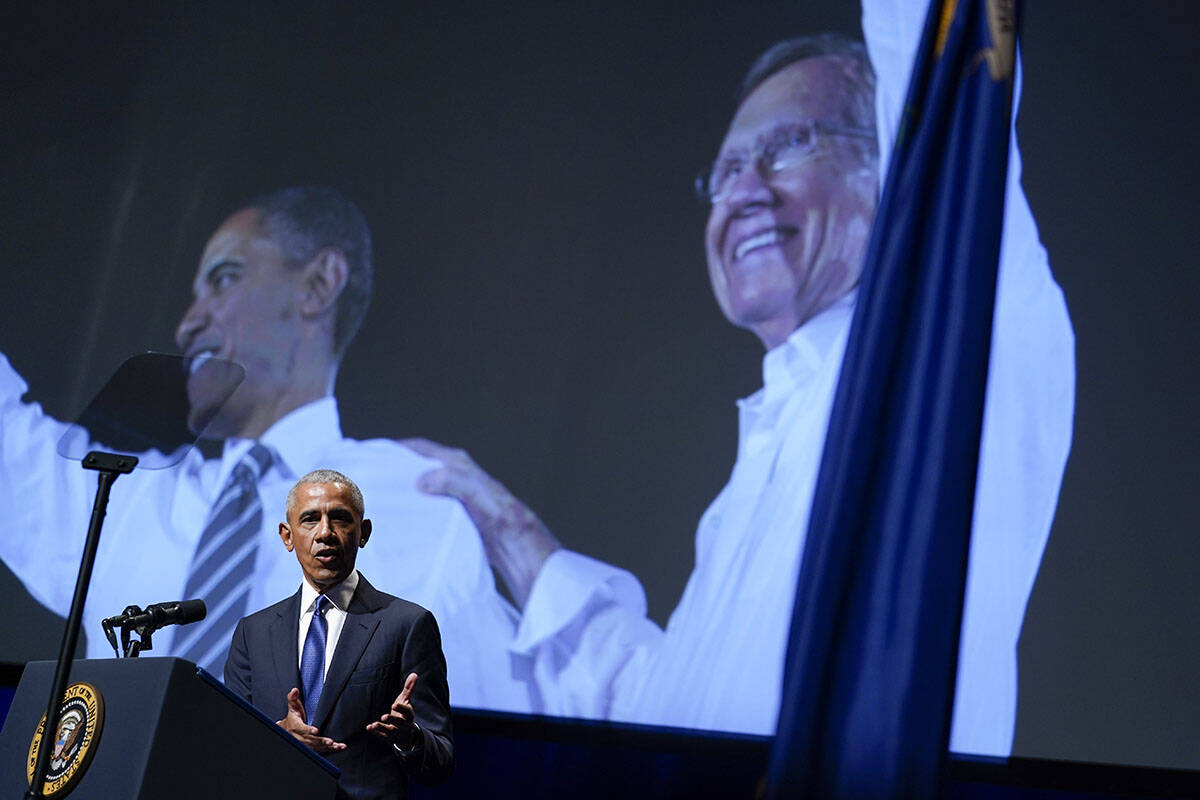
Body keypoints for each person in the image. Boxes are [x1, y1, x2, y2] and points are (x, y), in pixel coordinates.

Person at [407, 1, 1074, 757]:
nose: (744, 191)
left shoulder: (964, 329)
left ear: (891, 153)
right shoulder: (751, 477)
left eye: (791, 144)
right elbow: (667, 714)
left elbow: (935, 49)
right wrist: (512, 533)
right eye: (724, 172)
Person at [0, 186, 532, 713]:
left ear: (319, 284)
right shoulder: (119, 501)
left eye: (224, 279)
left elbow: (478, 734)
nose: (188, 324)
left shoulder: (419, 513)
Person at [225, 469, 454, 800]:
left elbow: (442, 759)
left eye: (340, 519)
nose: (325, 533)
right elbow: (230, 749)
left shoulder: (406, 625)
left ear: (363, 532)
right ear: (287, 536)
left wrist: (408, 737)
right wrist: (278, 736)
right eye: (309, 520)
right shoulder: (254, 632)